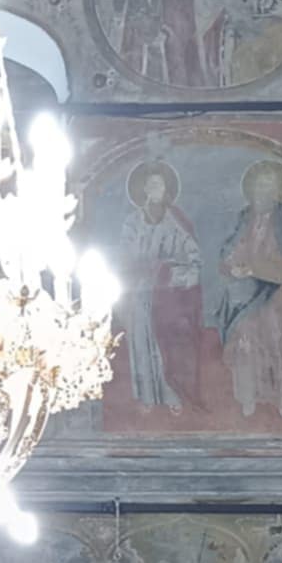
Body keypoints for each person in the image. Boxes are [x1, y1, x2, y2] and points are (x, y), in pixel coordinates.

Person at [212, 159, 282, 420]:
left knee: (278, 336)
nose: (263, 192)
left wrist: (265, 268)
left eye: (268, 186)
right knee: (245, 339)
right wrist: (232, 266)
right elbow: (230, 249)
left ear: (277, 191)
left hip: (280, 291)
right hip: (248, 292)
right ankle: (248, 396)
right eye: (259, 186)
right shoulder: (244, 217)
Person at [119, 161, 202, 414]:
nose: (155, 189)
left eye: (160, 185)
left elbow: (193, 256)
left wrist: (177, 273)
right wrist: (146, 268)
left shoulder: (174, 222)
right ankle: (147, 396)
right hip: (140, 291)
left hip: (167, 294)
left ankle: (172, 392)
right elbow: (126, 257)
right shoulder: (132, 222)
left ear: (167, 190)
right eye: (151, 184)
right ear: (144, 189)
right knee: (143, 342)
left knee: (167, 342)